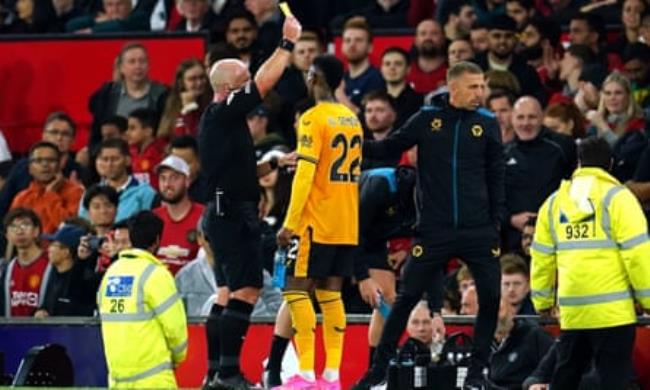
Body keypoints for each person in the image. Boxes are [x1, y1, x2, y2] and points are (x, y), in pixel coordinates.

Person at [353, 61, 505, 390]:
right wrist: (349, 142)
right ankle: (378, 369)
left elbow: (496, 176)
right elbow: (387, 147)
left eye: (483, 86)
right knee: (405, 299)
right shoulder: (427, 119)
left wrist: (495, 222)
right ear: (454, 89)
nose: (481, 93)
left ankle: (478, 373)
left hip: (478, 229)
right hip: (434, 230)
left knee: (491, 297)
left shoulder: (488, 124)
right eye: (474, 87)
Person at [199, 14, 302, 389]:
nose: (251, 91)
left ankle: (213, 372)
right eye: (242, 83)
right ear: (228, 88)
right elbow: (262, 82)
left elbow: (237, 172)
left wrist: (274, 162)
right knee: (245, 292)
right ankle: (227, 374)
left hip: (221, 211)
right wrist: (287, 44)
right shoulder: (224, 113)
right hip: (232, 216)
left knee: (226, 294)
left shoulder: (220, 123)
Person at [530, 137, 650, 390]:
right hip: (613, 313)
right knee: (612, 381)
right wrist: (648, 300)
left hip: (573, 313)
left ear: (579, 163)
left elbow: (542, 257)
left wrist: (542, 301)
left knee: (566, 377)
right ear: (611, 164)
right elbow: (638, 255)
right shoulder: (619, 199)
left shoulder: (554, 203)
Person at [275, 54, 363, 390]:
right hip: (346, 220)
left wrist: (290, 223)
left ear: (314, 77)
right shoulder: (351, 119)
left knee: (296, 291)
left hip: (316, 220)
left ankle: (306, 375)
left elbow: (305, 174)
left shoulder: (313, 118)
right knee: (331, 294)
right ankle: (332, 376)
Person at [98, 211, 188, 388]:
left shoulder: (111, 273)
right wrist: (178, 357)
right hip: (154, 380)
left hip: (117, 380)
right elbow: (175, 328)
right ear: (156, 241)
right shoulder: (156, 275)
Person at [11, 141, 84, 234]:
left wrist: (50, 194)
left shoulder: (76, 192)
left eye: (51, 160)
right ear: (30, 168)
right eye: (38, 161)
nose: (45, 165)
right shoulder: (22, 197)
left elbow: (70, 230)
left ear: (59, 165)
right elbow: (14, 233)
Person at [153, 155, 204, 275]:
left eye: (174, 178)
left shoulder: (204, 216)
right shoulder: (153, 218)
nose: (167, 184)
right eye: (163, 178)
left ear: (187, 181)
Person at [0, 208, 50, 317]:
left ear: (36, 231)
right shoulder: (6, 269)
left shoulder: (50, 265)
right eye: (13, 227)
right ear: (7, 235)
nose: (19, 231)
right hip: (10, 332)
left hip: (44, 332)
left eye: (25, 225)